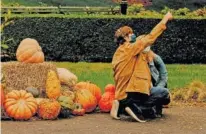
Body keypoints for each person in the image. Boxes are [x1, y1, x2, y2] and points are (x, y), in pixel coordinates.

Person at [110, 12, 173, 122]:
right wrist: (164, 20)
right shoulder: (131, 49)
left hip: (120, 94)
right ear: (125, 37)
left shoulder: (118, 53)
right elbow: (150, 37)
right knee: (164, 94)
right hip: (131, 94)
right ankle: (133, 108)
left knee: (151, 108)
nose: (133, 35)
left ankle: (122, 106)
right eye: (130, 33)